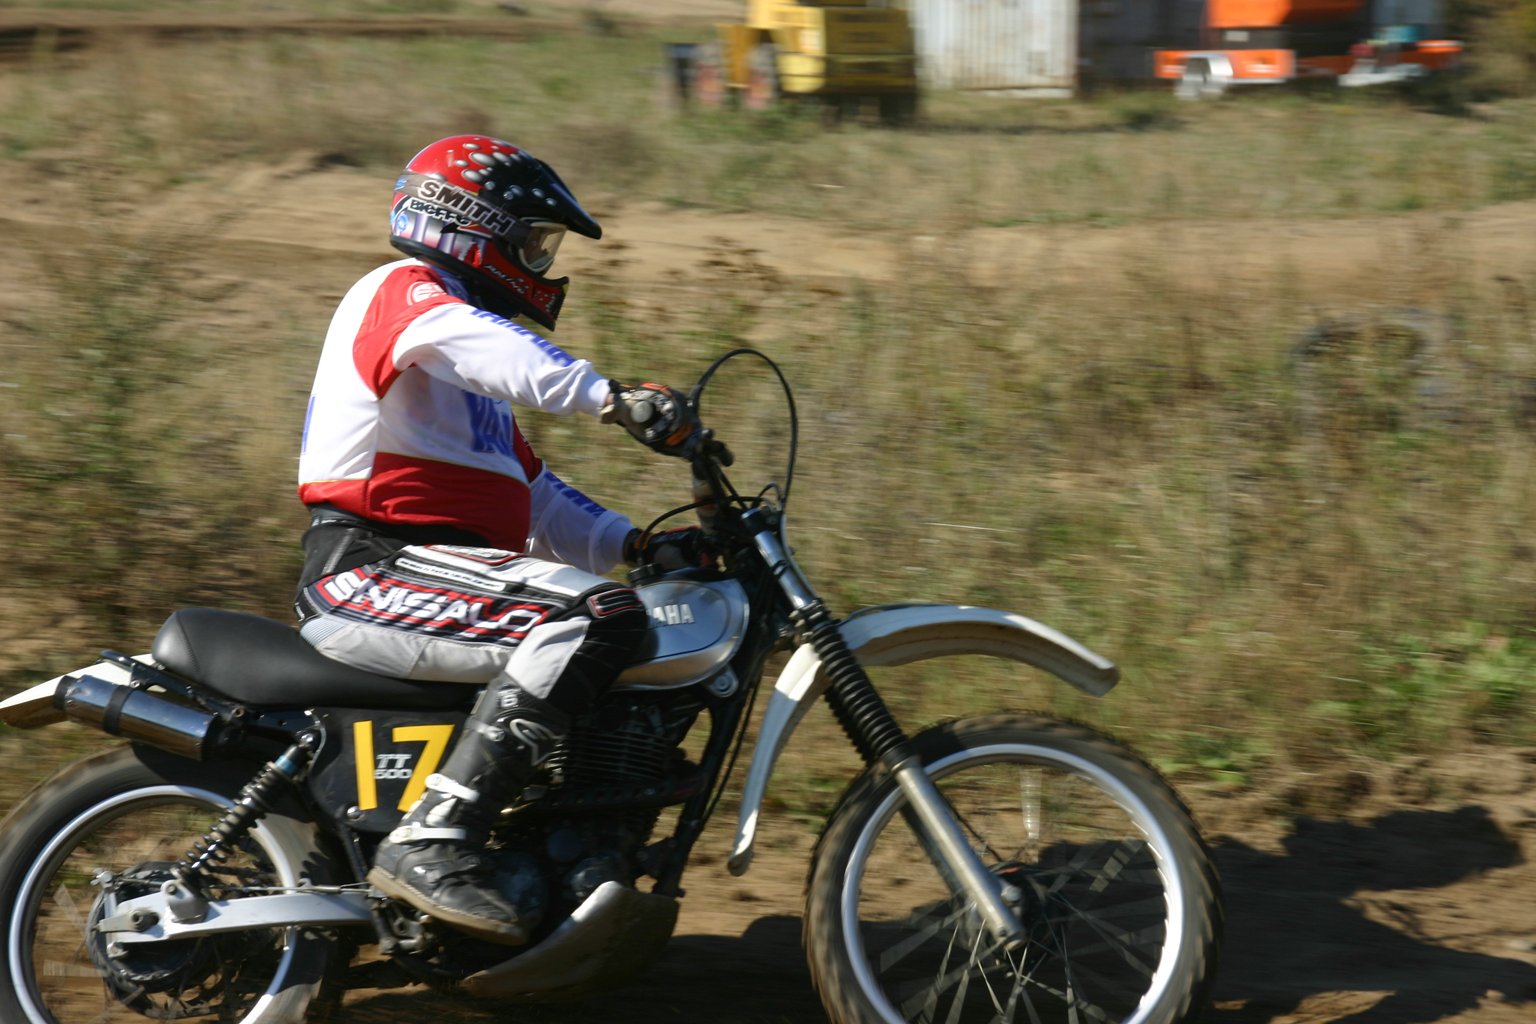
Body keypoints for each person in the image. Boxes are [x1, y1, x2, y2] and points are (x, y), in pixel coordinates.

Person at [293, 134, 711, 946]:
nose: (541, 263)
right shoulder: (406, 295)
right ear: (470, 228)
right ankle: (431, 838)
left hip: (440, 571)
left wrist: (640, 547)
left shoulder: (467, 385)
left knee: (615, 620)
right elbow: (482, 344)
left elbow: (540, 498)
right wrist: (610, 397)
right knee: (594, 617)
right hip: (373, 568)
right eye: (533, 242)